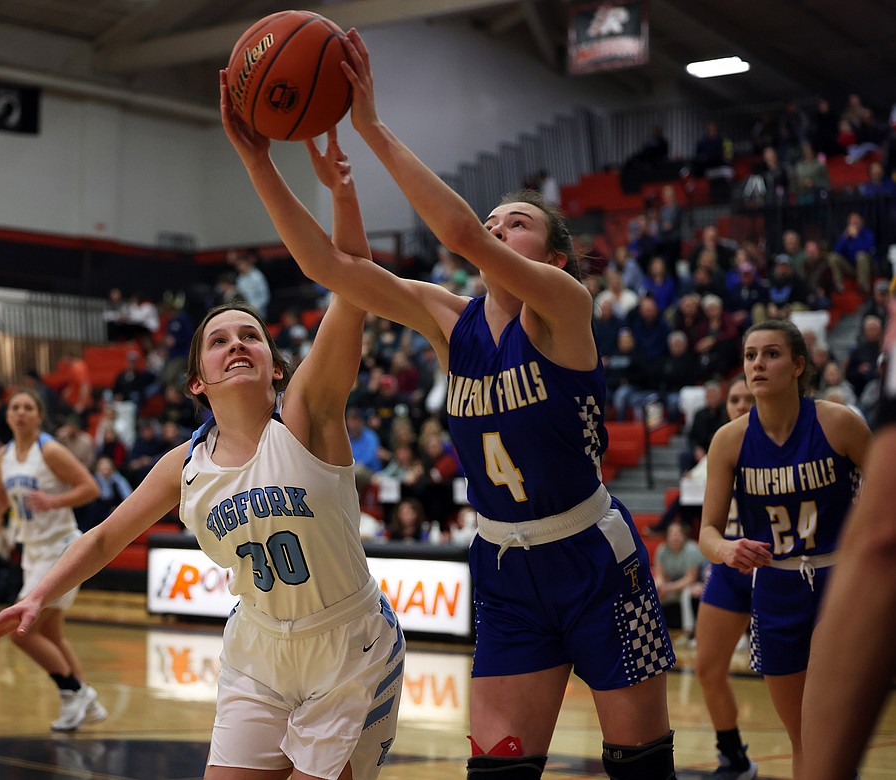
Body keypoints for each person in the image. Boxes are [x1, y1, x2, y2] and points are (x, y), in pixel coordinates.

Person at [222, 34, 677, 778]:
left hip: (594, 556)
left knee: (639, 766)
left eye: (518, 223)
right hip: (503, 566)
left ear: (555, 255)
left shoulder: (566, 304)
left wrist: (370, 126)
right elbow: (329, 267)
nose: (498, 228)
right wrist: (256, 160)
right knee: (495, 772)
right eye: (495, 221)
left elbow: (459, 232)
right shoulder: (447, 318)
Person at [0, 129, 405, 778]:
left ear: (275, 367)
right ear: (197, 379)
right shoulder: (185, 465)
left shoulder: (309, 418)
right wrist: (39, 598)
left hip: (347, 645)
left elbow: (352, 288)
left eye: (250, 337)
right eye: (219, 339)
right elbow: (103, 536)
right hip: (257, 648)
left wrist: (340, 192)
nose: (237, 344)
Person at [698, 320, 871, 779]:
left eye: (771, 354)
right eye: (751, 355)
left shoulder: (840, 424)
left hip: (837, 580)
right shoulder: (729, 441)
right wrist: (726, 550)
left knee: (821, 730)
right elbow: (708, 532)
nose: (757, 364)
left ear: (798, 365)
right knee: (802, 738)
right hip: (774, 584)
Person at [0, 387, 106, 730]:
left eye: (28, 407)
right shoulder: (4, 456)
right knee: (52, 634)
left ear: (39, 416)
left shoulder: (50, 450)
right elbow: (2, 505)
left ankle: (74, 692)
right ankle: (85, 702)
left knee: (19, 630)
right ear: (8, 415)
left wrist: (52, 501)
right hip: (33, 551)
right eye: (15, 407)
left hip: (61, 549)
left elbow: (91, 487)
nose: (20, 412)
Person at [800, 299, 896, 779]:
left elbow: (882, 534)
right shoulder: (731, 439)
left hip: (829, 567)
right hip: (772, 571)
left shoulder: (839, 424)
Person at [688, 376, 758, 779]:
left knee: (798, 676)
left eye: (748, 399)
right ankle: (733, 755)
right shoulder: (719, 447)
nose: (741, 405)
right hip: (728, 560)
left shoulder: (783, 443)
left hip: (777, 565)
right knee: (707, 669)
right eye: (734, 399)